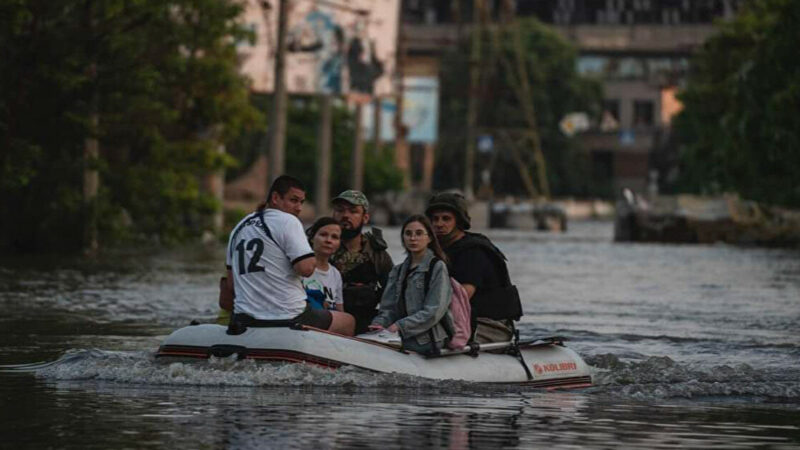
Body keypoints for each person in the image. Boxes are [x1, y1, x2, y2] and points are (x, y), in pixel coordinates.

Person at [222, 175, 355, 335]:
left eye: (301, 202)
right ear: (276, 198)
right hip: (289, 316)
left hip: (243, 318)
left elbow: (231, 284)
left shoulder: (238, 227)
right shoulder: (288, 221)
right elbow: (305, 269)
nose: (299, 207)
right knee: (348, 321)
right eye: (294, 200)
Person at [425, 192, 523, 344]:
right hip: (455, 319)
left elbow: (461, 298)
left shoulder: (473, 252)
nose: (439, 224)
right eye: (435, 219)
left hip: (489, 325)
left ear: (459, 221)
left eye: (446, 219)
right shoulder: (434, 252)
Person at [369, 215, 454, 355]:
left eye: (419, 233)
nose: (413, 238)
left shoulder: (437, 267)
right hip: (400, 334)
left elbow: (434, 311)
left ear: (430, 238)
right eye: (408, 234)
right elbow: (388, 308)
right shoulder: (397, 271)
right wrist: (379, 324)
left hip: (428, 338)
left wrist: (399, 326)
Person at [330, 190, 393, 334]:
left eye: (353, 211)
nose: (345, 215)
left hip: (366, 322)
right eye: (340, 210)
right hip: (329, 320)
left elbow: (392, 293)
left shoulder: (377, 255)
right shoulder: (322, 247)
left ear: (365, 218)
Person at [302, 217, 347, 315]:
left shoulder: (335, 274)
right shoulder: (300, 267)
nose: (328, 240)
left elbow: (340, 311)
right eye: (323, 235)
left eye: (334, 237)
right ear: (312, 238)